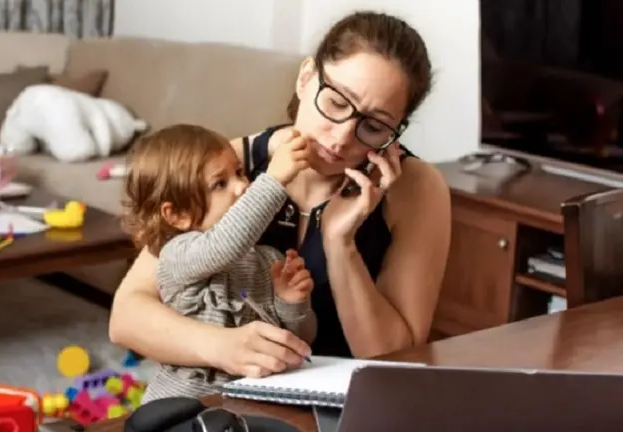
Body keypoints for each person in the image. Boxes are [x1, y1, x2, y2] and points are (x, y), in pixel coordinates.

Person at [109, 11, 452, 377]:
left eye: (373, 126)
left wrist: (340, 244)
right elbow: (127, 315)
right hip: (231, 394)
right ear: (306, 78)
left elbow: (394, 361)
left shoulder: (416, 190)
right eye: (336, 103)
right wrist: (220, 346)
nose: (340, 138)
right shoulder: (232, 167)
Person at [120, 124, 317, 402]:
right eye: (219, 184)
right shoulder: (176, 254)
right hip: (182, 406)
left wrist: (293, 302)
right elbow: (222, 246)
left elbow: (300, 341)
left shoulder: (269, 259)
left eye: (239, 172)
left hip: (248, 404)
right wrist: (273, 180)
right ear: (177, 215)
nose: (242, 186)